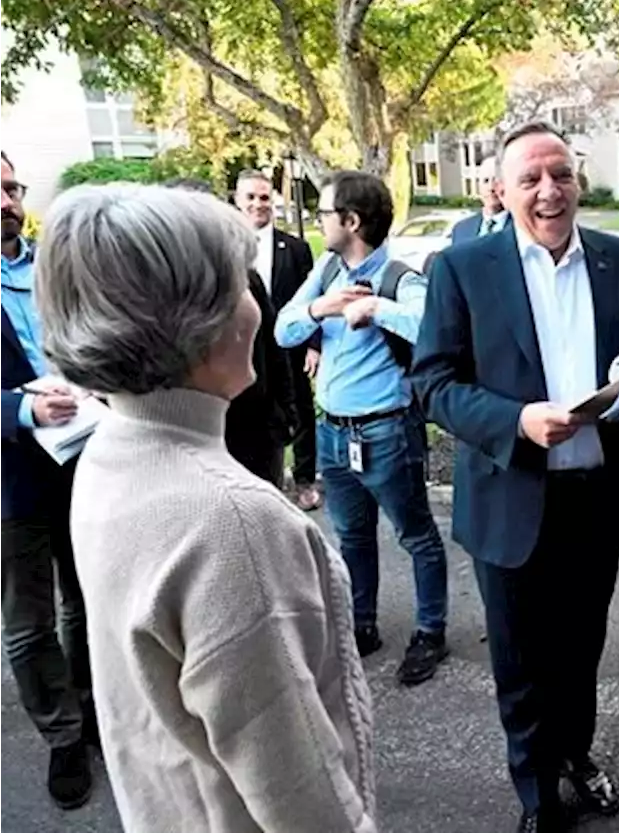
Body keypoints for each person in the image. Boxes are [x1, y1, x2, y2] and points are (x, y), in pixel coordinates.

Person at [34, 182, 376, 832]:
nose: (255, 303)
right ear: (198, 323)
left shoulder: (110, 452)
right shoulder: (232, 521)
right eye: (238, 284)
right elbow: (302, 796)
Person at [413, 120, 619, 833]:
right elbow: (433, 385)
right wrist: (516, 422)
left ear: (578, 181)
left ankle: (575, 753)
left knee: (581, 649)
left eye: (560, 174)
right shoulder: (463, 268)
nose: (549, 190)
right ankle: (537, 793)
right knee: (521, 662)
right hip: (511, 499)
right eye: (530, 178)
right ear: (499, 190)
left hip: (596, 500)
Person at [276, 171, 449, 687]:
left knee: (416, 535)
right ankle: (362, 624)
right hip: (333, 434)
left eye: (325, 213)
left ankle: (430, 631)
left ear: (351, 221)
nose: (319, 221)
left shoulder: (401, 278)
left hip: (386, 433)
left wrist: (377, 309)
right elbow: (285, 327)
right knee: (352, 537)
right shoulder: (327, 270)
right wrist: (319, 308)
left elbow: (432, 331)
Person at [0, 149, 95, 811]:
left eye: (11, 187)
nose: (7, 201)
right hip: (10, 478)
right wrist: (21, 408)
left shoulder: (50, 265)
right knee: (28, 623)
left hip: (84, 457)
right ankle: (63, 736)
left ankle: (91, 707)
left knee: (86, 600)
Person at [167, 177, 299, 485]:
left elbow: (273, 347)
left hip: (256, 432)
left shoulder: (246, 277)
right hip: (193, 437)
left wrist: (286, 410)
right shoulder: (157, 292)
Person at [235, 170, 322, 507]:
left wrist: (314, 344)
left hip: (292, 345)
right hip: (245, 347)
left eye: (264, 197)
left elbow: (314, 297)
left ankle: (303, 479)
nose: (258, 204)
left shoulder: (296, 249)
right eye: (251, 197)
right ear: (238, 201)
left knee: (300, 408)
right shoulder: (227, 251)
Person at [450, 156, 508, 243]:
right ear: (478, 186)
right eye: (485, 181)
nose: (491, 187)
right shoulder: (461, 230)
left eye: (497, 181)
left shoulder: (522, 227)